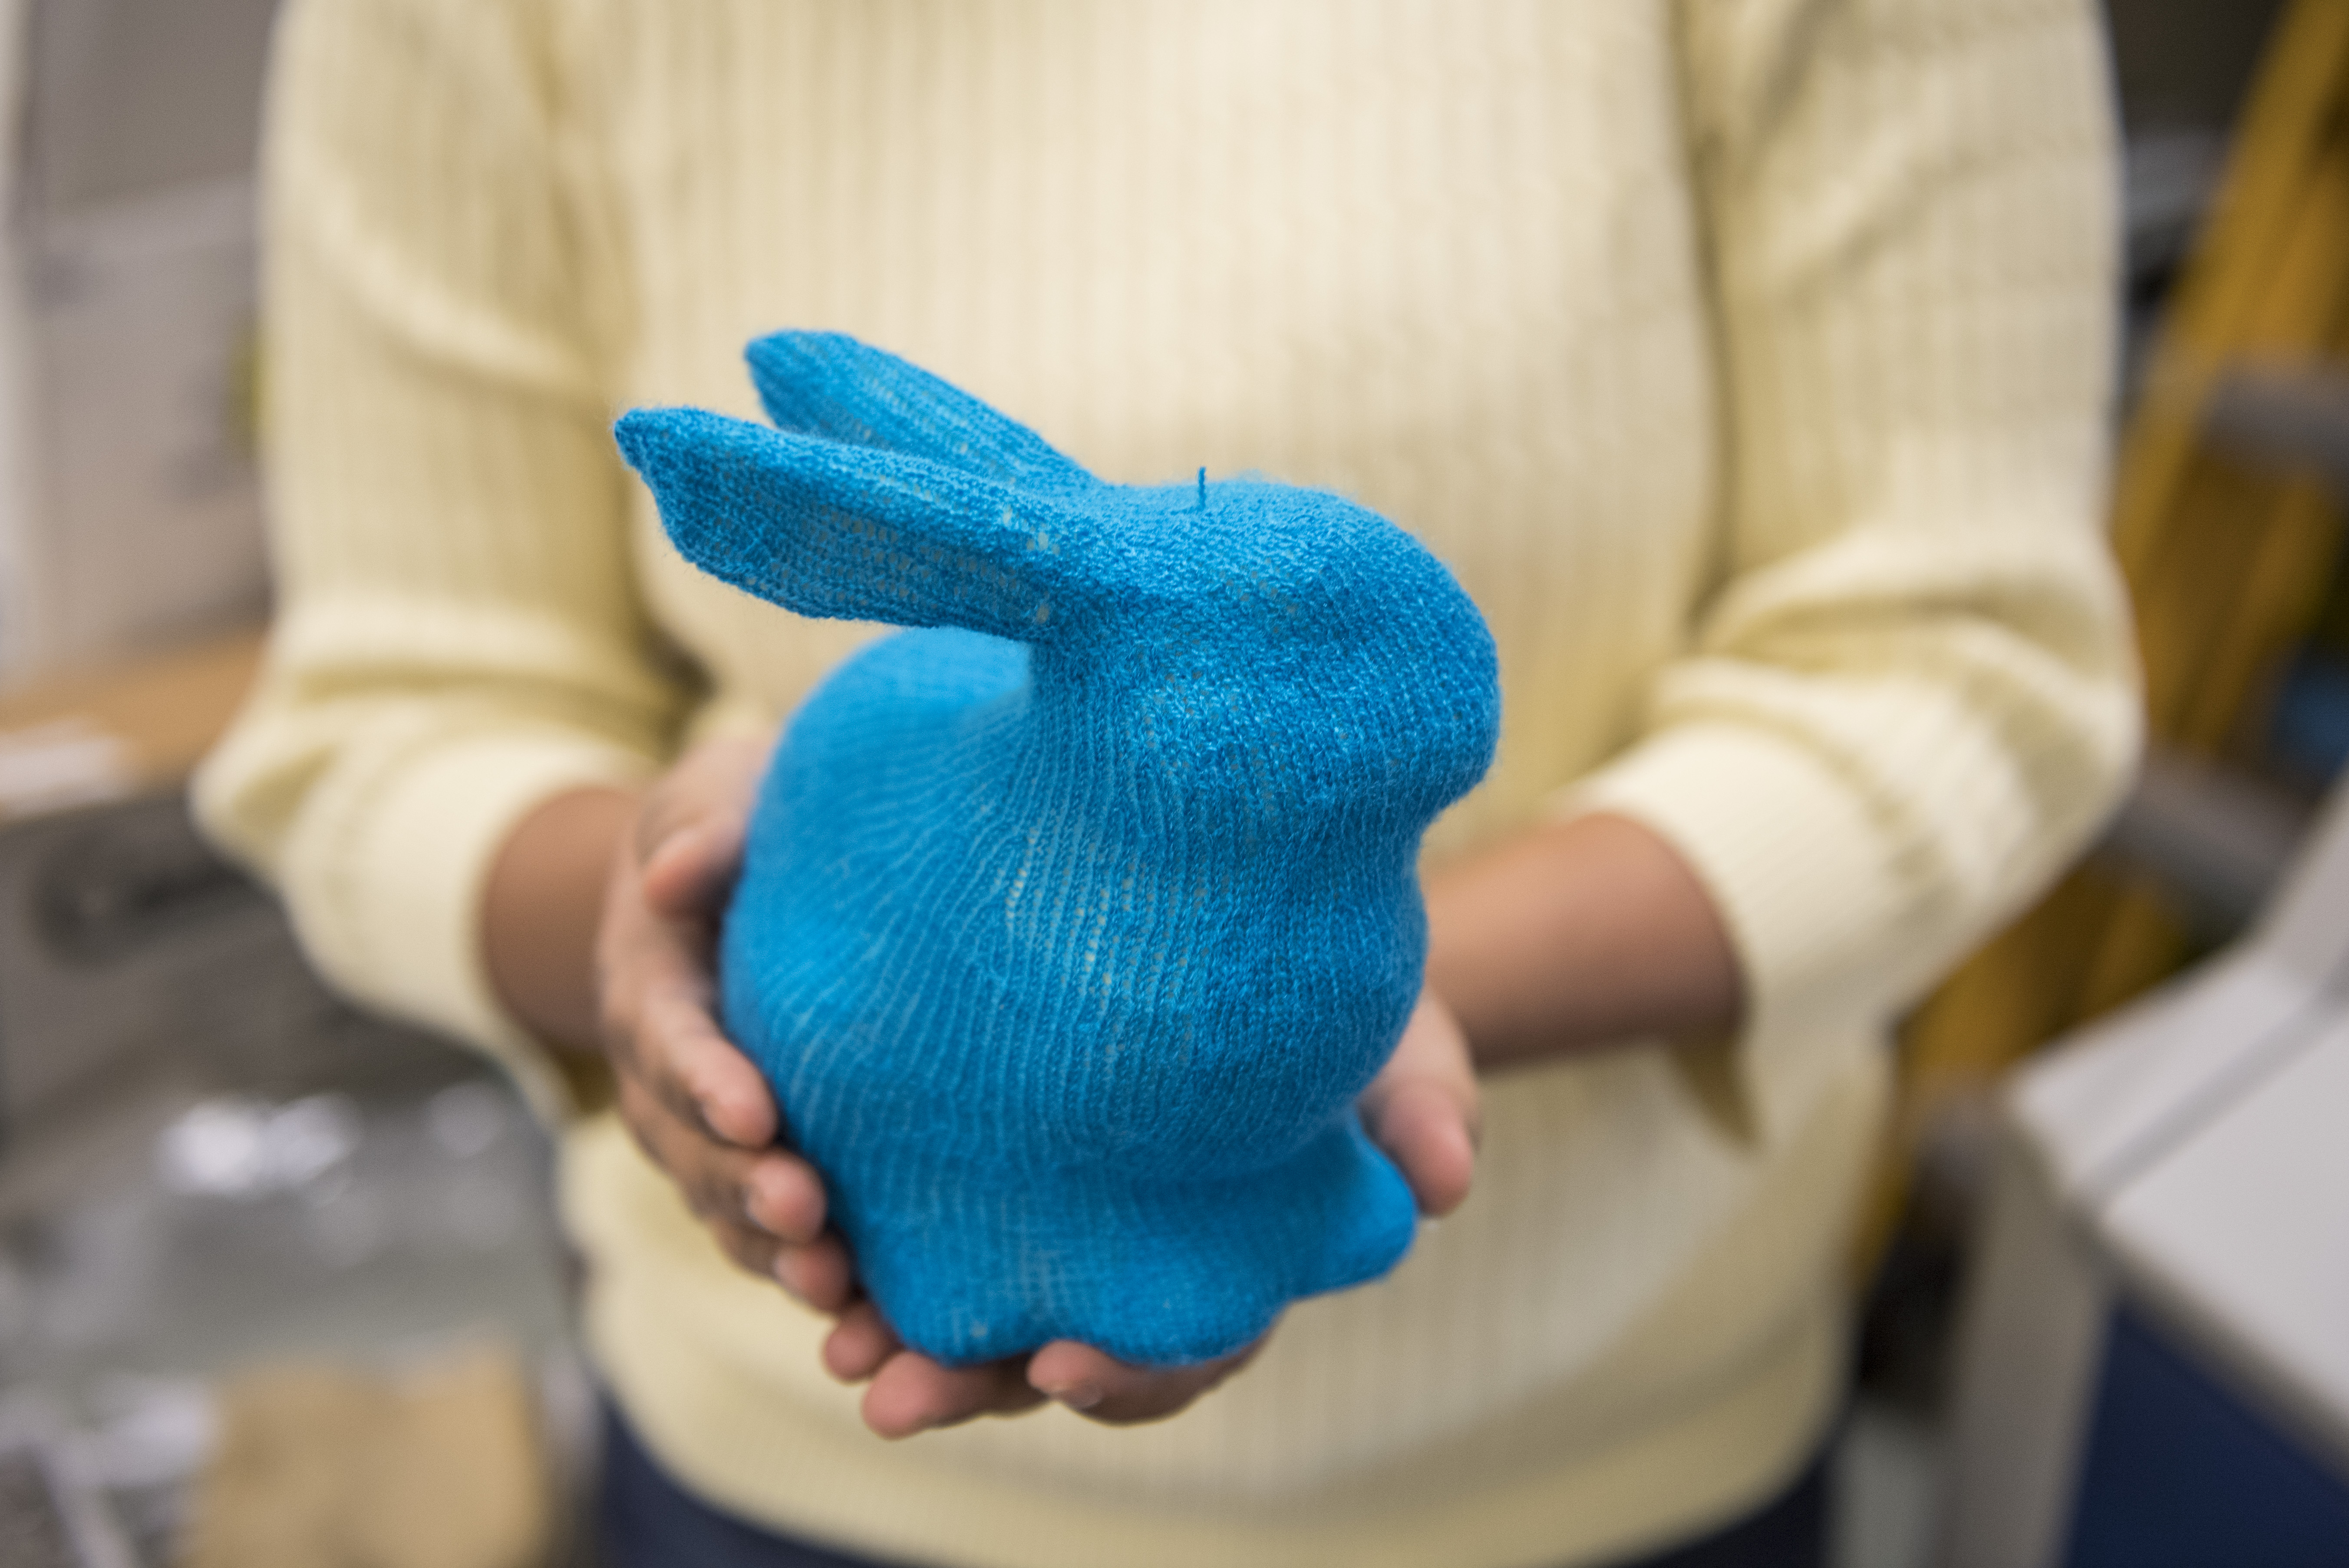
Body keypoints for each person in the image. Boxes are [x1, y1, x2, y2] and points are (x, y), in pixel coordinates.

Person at [195, 1, 2141, 1564]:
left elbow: (1957, 660)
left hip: (1612, 1471)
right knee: (1003, 1092)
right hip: (785, 1482)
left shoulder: (1334, 920)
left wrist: (1412, 1002)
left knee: (1226, 1130)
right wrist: (660, 918)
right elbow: (401, 716)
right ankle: (967, 1238)